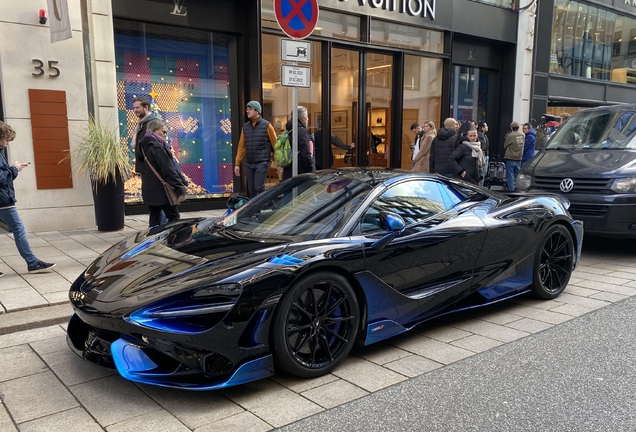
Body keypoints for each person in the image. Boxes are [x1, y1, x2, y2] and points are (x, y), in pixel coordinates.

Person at [0, 121, 55, 275]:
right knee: (19, 229)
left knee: (18, 229)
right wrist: (15, 169)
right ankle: (32, 263)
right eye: (6, 140)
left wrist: (13, 169)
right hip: (3, 200)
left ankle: (32, 263)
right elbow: (2, 177)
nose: (7, 144)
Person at [136, 119, 187, 228]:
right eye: (163, 131)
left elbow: (139, 169)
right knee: (173, 217)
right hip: (162, 191)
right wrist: (179, 187)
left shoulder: (141, 146)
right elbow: (167, 169)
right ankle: (172, 240)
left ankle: (152, 239)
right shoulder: (157, 147)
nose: (165, 134)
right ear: (154, 131)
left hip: (148, 189)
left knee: (154, 218)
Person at [234, 101, 277, 197]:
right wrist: (237, 163)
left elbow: (275, 145)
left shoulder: (267, 125)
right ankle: (255, 211)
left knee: (258, 187)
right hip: (249, 163)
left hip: (262, 162)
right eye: (247, 109)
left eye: (250, 109)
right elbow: (241, 146)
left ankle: (268, 204)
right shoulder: (245, 127)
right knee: (252, 190)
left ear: (257, 111)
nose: (247, 111)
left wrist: (279, 162)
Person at [282, 106, 316, 180]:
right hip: (300, 171)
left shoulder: (288, 131)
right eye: (307, 116)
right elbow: (306, 153)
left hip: (288, 170)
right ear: (302, 118)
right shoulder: (301, 131)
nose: (308, 119)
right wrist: (312, 170)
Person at [503, 121, 525, 191]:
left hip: (510, 157)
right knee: (518, 175)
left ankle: (511, 190)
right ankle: (521, 189)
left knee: (510, 176)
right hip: (519, 157)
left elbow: (505, 145)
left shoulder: (510, 135)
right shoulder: (523, 135)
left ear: (511, 128)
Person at [478, 121, 490, 186]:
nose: (487, 127)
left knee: (484, 172)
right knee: (482, 172)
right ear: (482, 128)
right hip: (482, 155)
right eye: (486, 126)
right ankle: (480, 187)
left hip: (486, 155)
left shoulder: (485, 135)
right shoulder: (480, 135)